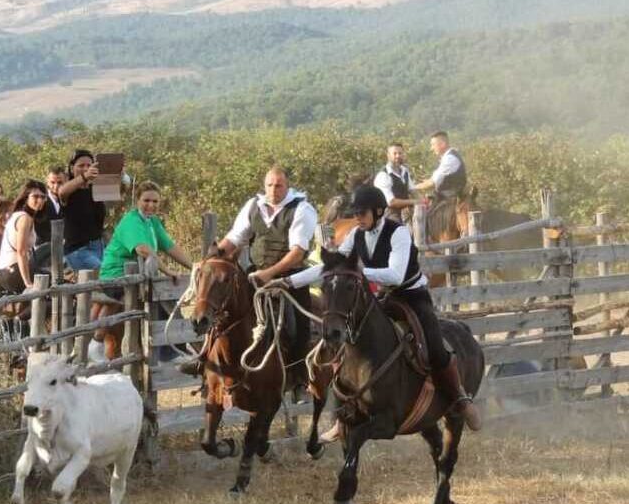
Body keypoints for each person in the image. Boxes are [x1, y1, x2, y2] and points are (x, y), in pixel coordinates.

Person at [280, 183, 481, 431]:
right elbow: (333, 267)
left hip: (412, 295)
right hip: (384, 296)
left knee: (435, 346)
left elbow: (396, 275)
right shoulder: (356, 235)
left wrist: (360, 273)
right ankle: (345, 414)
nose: (357, 219)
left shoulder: (398, 233)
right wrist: (289, 281)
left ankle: (460, 399)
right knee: (351, 339)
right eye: (355, 214)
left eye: (362, 214)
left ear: (378, 212)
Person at [180, 166, 317, 379]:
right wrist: (211, 259)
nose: (273, 190)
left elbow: (298, 253)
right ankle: (204, 357)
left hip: (290, 279)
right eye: (270, 185)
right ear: (264, 185)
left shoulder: (302, 209)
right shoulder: (254, 206)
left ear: (287, 186)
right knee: (223, 309)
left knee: (297, 326)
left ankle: (297, 375)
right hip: (255, 276)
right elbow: (235, 238)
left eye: (279, 185)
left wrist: (270, 273)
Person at [88, 181, 192, 362]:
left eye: (155, 201)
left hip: (139, 274)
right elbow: (143, 250)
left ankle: (172, 351)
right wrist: (168, 271)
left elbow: (170, 247)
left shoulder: (153, 222)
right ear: (137, 200)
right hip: (116, 273)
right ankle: (95, 343)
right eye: (146, 200)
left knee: (164, 297)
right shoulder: (131, 221)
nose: (151, 205)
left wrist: (194, 266)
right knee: (118, 297)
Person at [0, 180, 48, 294]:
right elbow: (21, 251)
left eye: (42, 197)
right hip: (13, 271)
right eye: (35, 196)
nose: (39, 200)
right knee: (53, 285)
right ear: (26, 198)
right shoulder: (24, 219)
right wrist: (28, 283)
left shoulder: (19, 215)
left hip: (7, 271)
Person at [57, 149, 105, 271]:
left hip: (98, 246)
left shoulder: (96, 189)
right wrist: (84, 177)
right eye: (81, 166)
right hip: (78, 250)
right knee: (101, 275)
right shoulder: (69, 191)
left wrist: (119, 174)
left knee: (106, 279)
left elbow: (119, 193)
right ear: (72, 168)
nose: (86, 168)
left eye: (89, 165)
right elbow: (62, 192)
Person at [414, 131, 467, 201]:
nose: (431, 148)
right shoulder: (448, 157)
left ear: (442, 144)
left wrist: (412, 188)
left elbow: (432, 183)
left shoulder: (450, 159)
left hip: (450, 199)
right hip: (447, 197)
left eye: (433, 145)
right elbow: (433, 180)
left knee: (421, 208)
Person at [373, 142, 418, 224]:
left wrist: (422, 200)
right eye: (395, 153)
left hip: (405, 211)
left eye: (400, 153)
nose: (398, 156)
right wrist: (414, 201)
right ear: (388, 155)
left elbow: (413, 190)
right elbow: (391, 202)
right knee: (398, 230)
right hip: (389, 214)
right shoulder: (383, 175)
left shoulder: (405, 171)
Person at [33, 165, 66, 268]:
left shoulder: (67, 201)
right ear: (47, 181)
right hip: (42, 250)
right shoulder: (40, 201)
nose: (55, 186)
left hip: (63, 249)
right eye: (52, 182)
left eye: (60, 182)